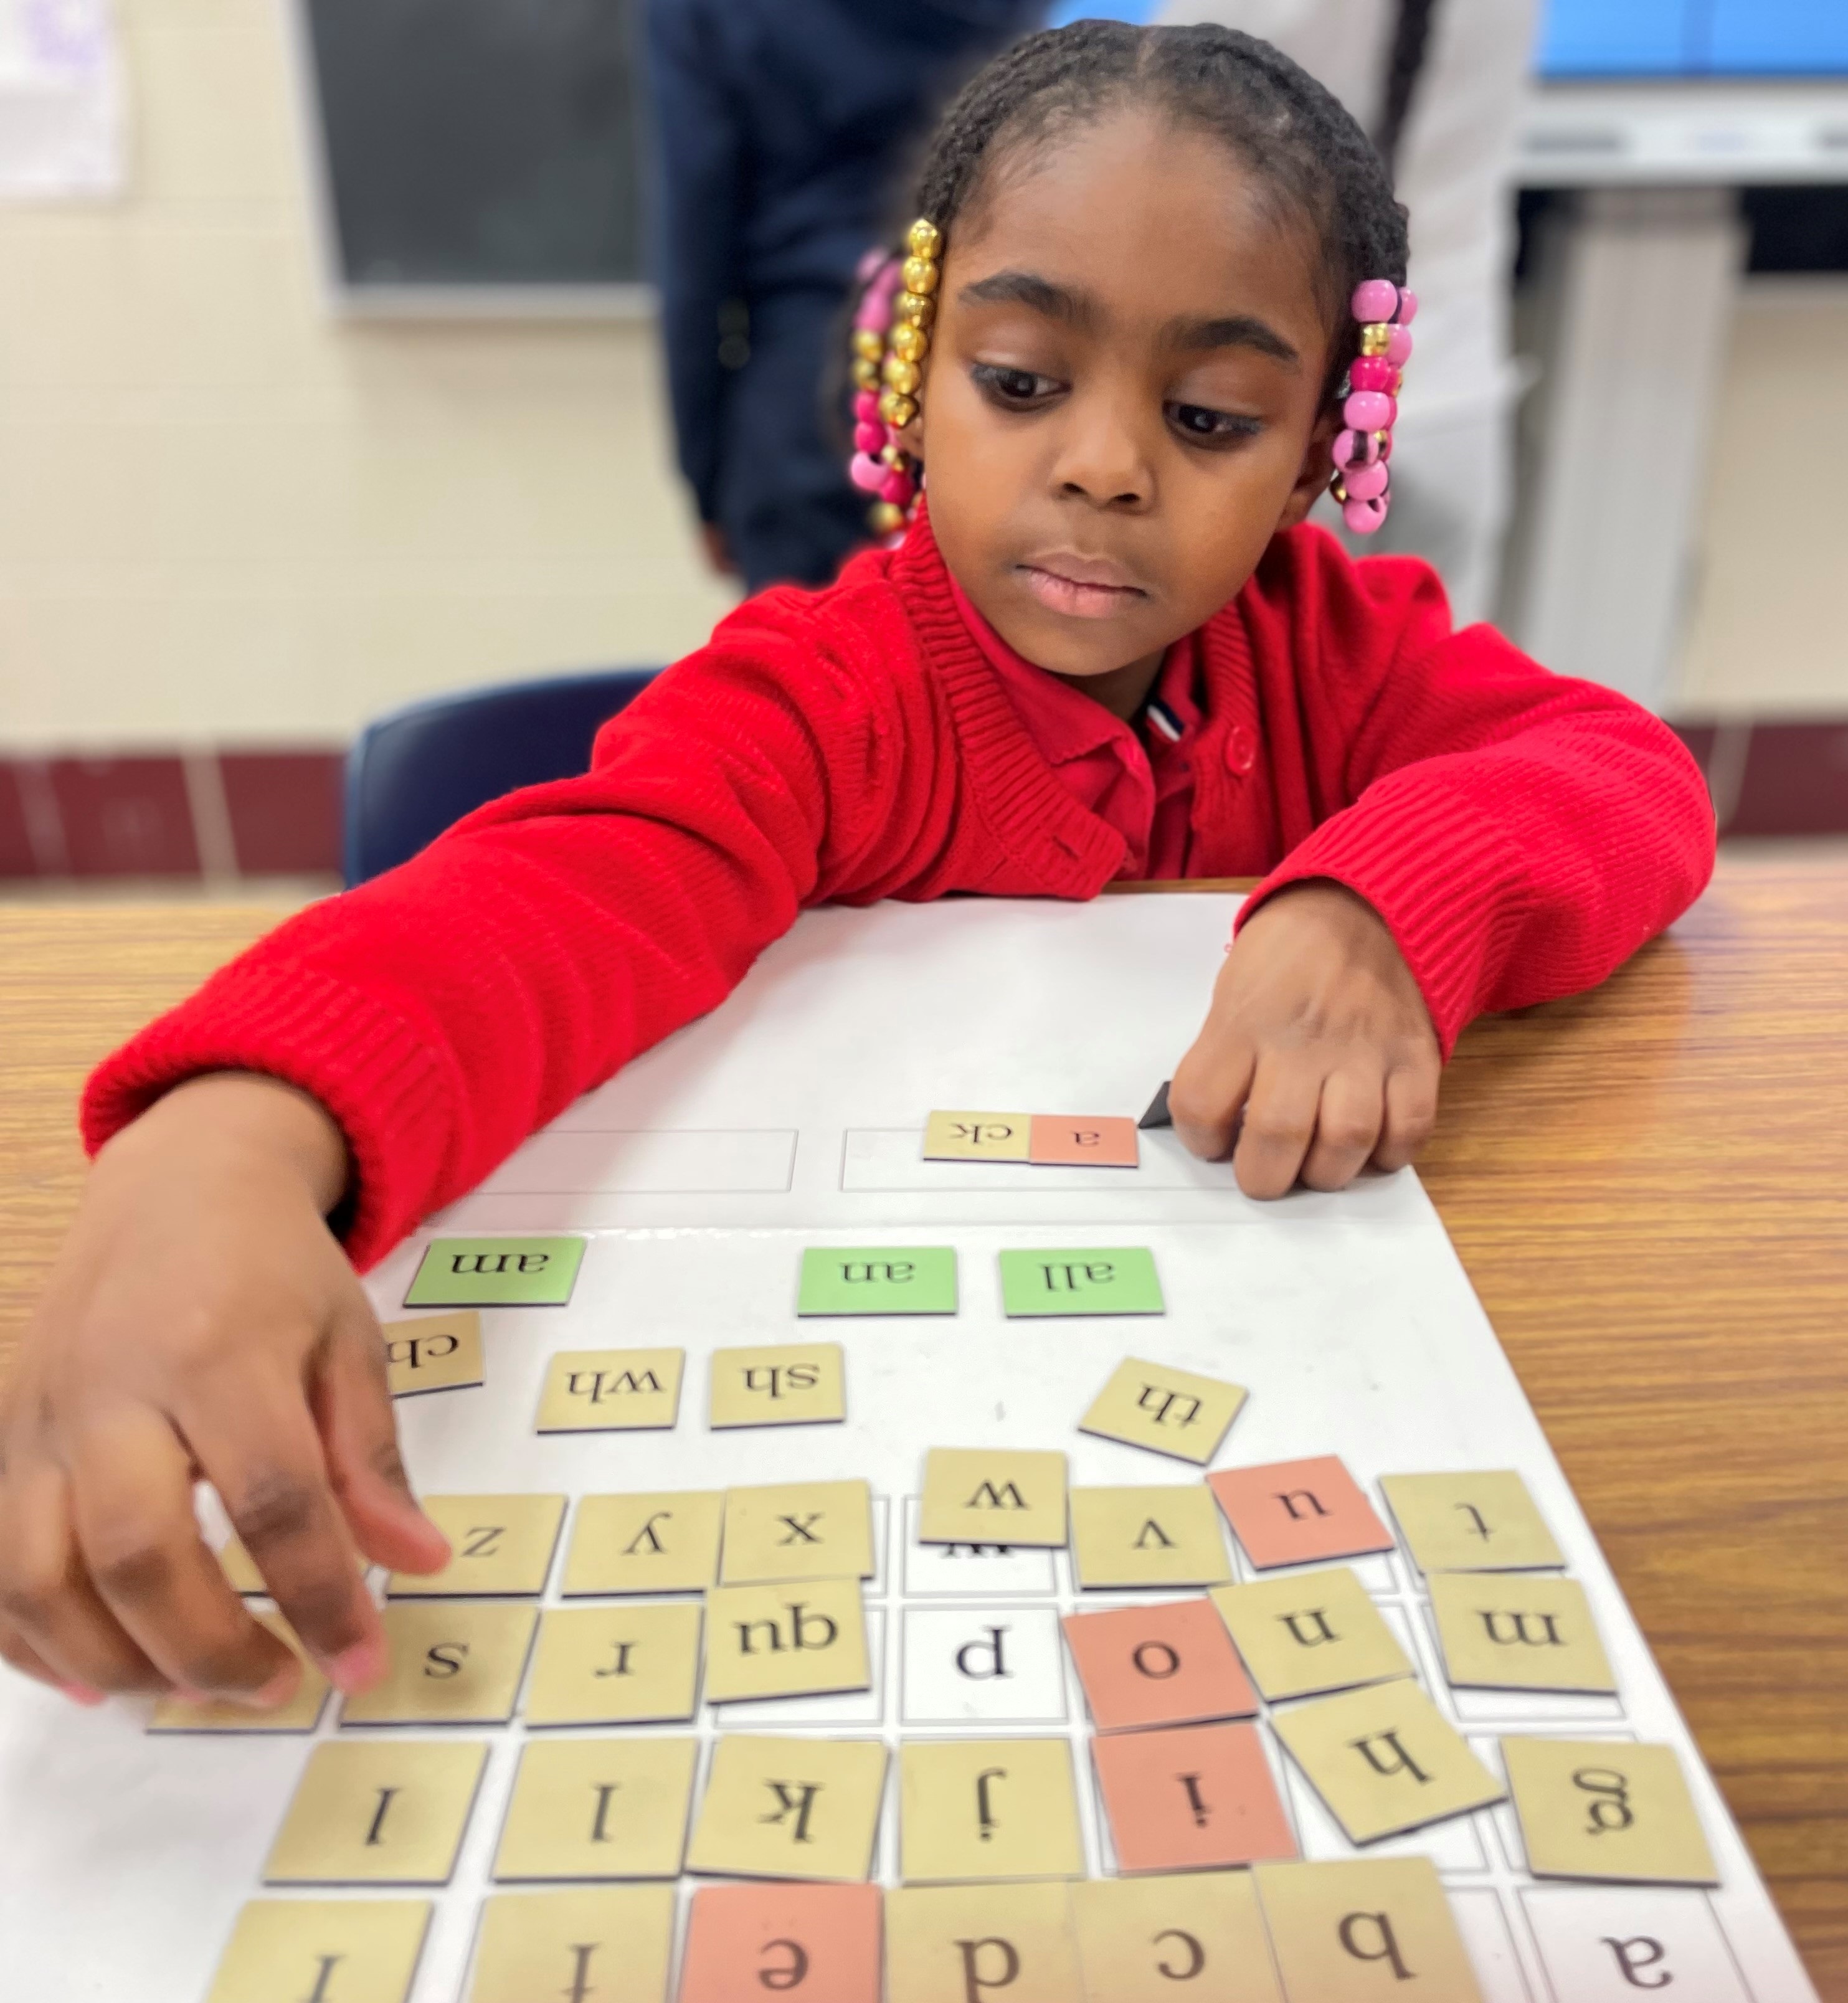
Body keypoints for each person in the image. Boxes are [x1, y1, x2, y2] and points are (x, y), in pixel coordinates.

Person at [0, 22, 1712, 1718]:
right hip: (880, 1423)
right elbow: (559, 896)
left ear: (1325, 444)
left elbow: (1622, 771)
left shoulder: (1338, 651)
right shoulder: (824, 698)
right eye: (1023, 383)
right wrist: (222, 1147)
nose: (1103, 464)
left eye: (1206, 415)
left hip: (1213, 1439)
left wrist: (1374, 906)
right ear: (908, 371)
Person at [1150, 0, 1539, 625]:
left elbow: (1137, 128)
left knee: (1256, 692)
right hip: (1455, 392)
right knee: (1433, 698)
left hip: (1284, 408)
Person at [648, 0, 1043, 594]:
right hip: (976, 386)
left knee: (798, 677)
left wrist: (704, 480)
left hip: (793, 416)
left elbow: (695, 251)